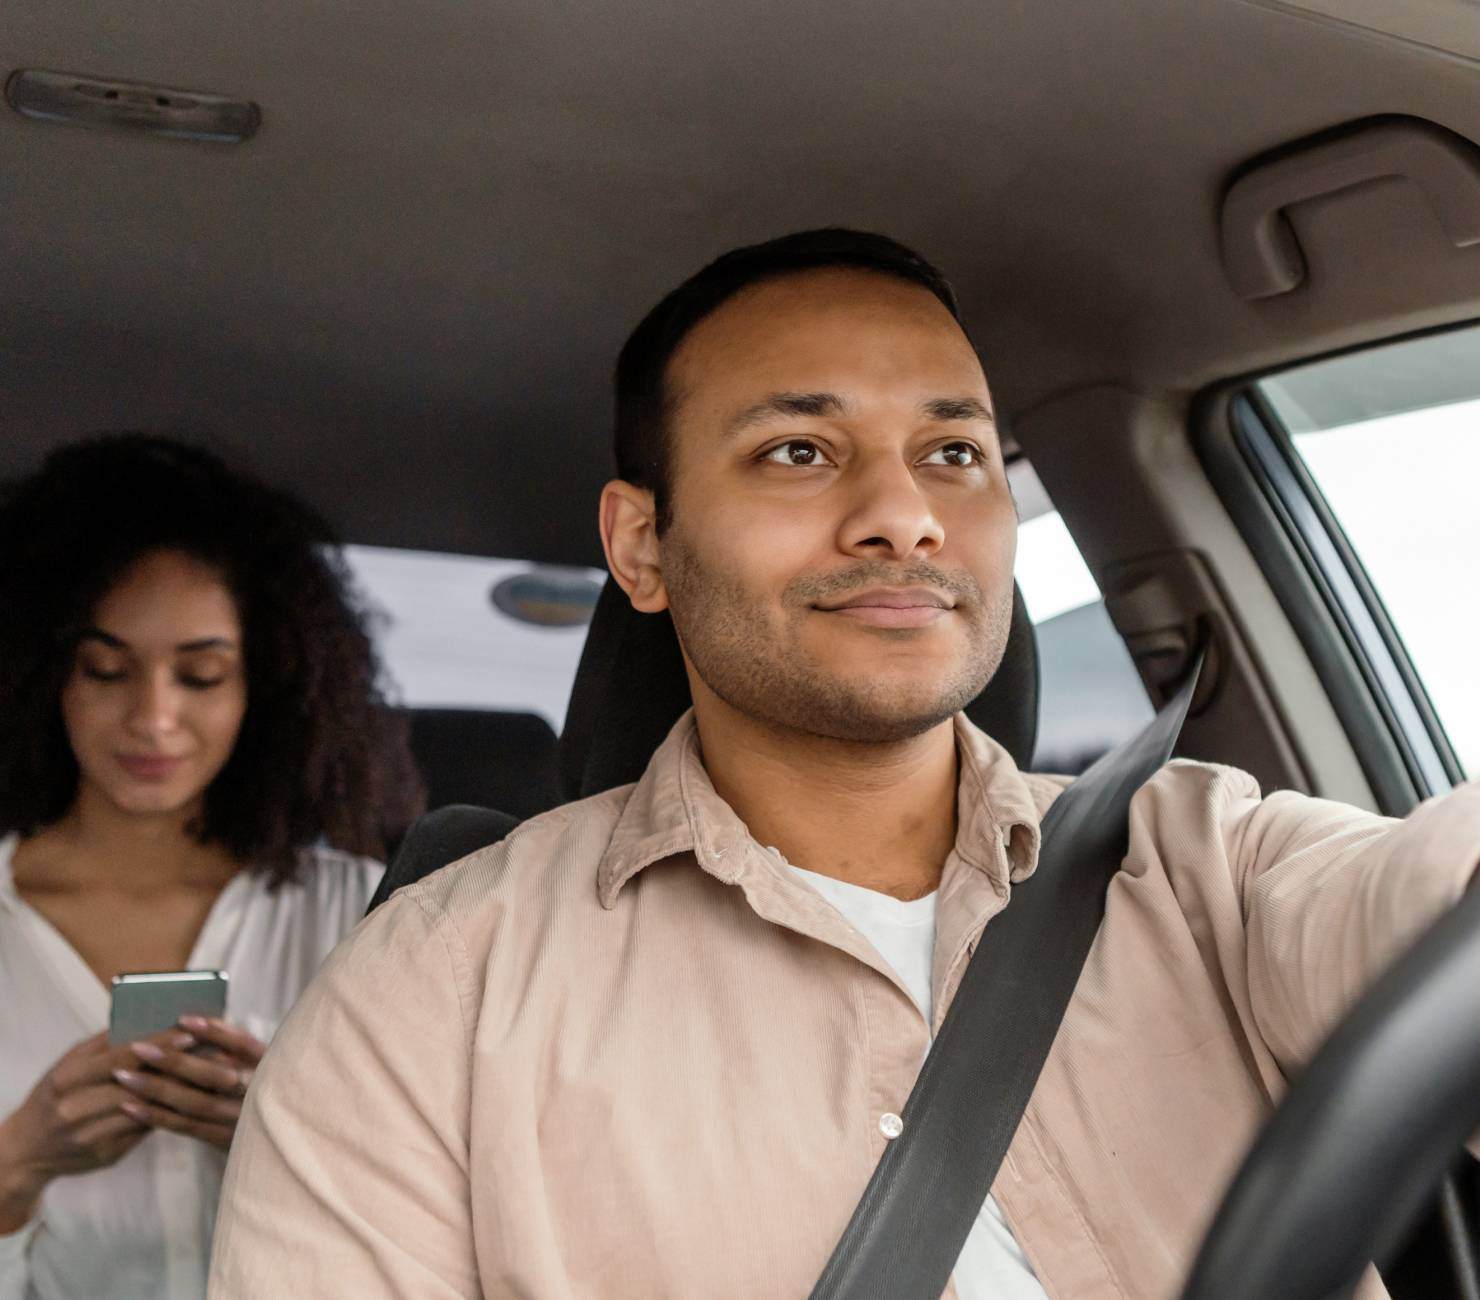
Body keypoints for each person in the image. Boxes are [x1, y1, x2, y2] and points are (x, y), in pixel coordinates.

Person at [208, 230, 1480, 1299]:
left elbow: (1429, 903)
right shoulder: (427, 998)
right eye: (799, 453)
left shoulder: (1214, 860)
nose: (903, 513)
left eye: (954, 452)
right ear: (641, 545)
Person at [0, 435, 423, 1299]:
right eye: (106, 669)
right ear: (42, 677)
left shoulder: (365, 915)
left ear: (264, 688)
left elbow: (457, 1232)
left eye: (200, 675)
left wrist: (292, 1139)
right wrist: (16, 1163)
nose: (153, 719)